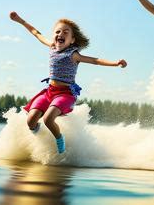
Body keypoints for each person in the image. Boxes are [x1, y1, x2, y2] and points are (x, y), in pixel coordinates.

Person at [9, 11, 127, 153]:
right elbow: (36, 33)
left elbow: (95, 61)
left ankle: (59, 138)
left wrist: (115, 63)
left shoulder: (74, 54)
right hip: (49, 92)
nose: (61, 34)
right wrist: (20, 20)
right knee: (30, 120)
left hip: (65, 95)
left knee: (47, 119)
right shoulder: (52, 46)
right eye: (58, 31)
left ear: (72, 40)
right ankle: (38, 136)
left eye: (66, 32)